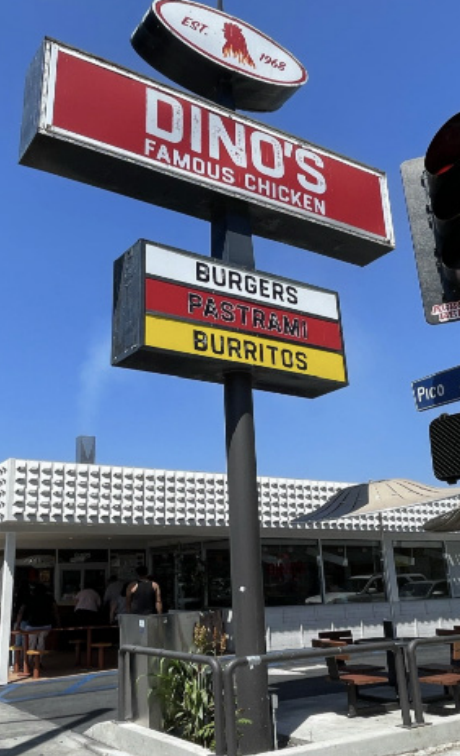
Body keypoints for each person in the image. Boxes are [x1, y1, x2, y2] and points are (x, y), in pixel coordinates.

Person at [14, 582, 60, 651]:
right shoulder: (49, 598)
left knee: (31, 643)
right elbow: (56, 611)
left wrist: (18, 624)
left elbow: (21, 612)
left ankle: (28, 660)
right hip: (46, 625)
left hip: (33, 625)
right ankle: (39, 660)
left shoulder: (29, 598)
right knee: (41, 642)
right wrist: (58, 622)